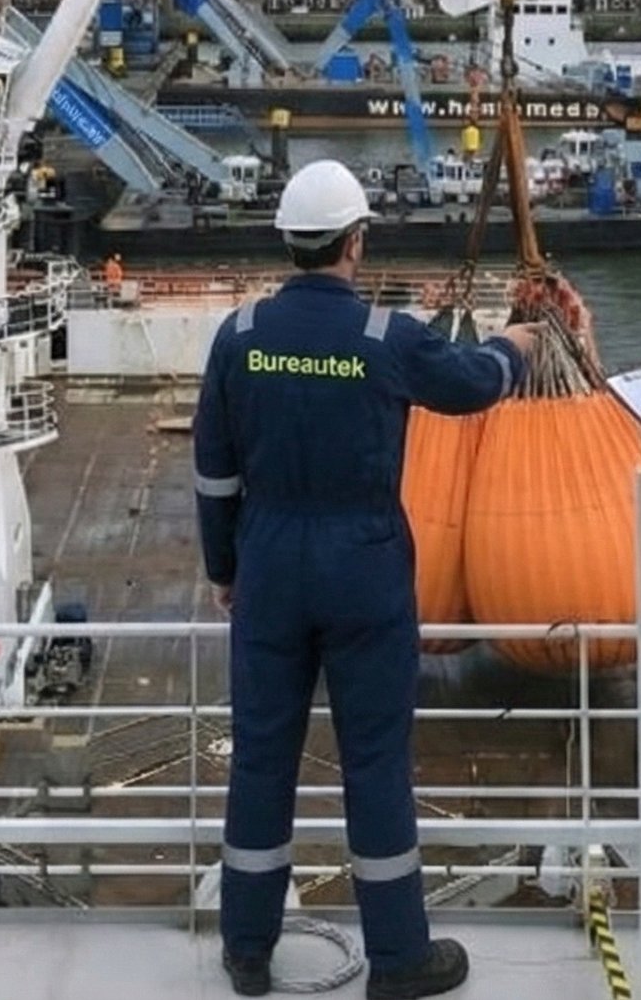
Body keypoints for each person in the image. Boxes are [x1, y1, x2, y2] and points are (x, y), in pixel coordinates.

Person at [193, 159, 537, 1000]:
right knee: (376, 762)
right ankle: (398, 958)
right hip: (365, 566)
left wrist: (227, 568)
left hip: (271, 562)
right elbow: (473, 384)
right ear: (355, 241)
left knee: (262, 761)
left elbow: (213, 474)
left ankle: (246, 949)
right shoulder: (387, 337)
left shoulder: (237, 336)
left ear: (288, 242)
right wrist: (518, 346)